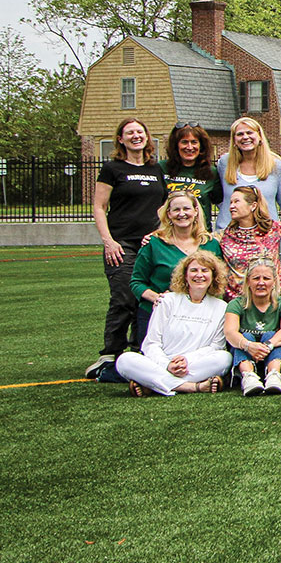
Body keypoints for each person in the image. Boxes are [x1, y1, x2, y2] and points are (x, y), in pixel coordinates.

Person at [89, 118, 169, 378]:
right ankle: (110, 352)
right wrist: (108, 240)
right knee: (123, 296)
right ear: (121, 139)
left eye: (140, 132)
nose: (136, 136)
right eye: (129, 133)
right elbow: (99, 206)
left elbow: (161, 208)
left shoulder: (155, 169)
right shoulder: (112, 168)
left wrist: (157, 234)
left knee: (144, 297)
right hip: (121, 242)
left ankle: (138, 349)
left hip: (149, 243)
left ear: (146, 137)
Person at [115, 251, 230, 396]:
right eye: (193, 270)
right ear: (185, 276)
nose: (199, 275)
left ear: (213, 276)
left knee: (224, 358)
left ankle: (152, 385)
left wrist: (187, 360)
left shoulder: (221, 307)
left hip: (193, 364)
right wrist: (167, 365)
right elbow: (151, 343)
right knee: (124, 360)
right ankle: (192, 387)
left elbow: (216, 346)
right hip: (161, 363)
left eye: (205, 271)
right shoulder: (167, 300)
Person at [131, 192, 221, 337]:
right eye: (176, 210)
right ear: (168, 214)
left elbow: (219, 281)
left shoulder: (210, 244)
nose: (182, 214)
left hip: (199, 317)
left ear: (195, 211)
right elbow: (137, 282)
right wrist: (158, 299)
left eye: (186, 209)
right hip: (157, 315)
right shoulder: (154, 243)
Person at [223, 257, 281, 396]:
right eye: (256, 278)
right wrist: (248, 345)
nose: (261, 283)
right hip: (245, 352)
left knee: (271, 335)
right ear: (248, 282)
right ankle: (248, 377)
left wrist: (267, 345)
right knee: (244, 336)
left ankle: (274, 376)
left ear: (274, 282)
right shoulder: (236, 304)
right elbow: (230, 332)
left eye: (266, 278)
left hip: (271, 353)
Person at [218, 186, 281, 297]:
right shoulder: (224, 236)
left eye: (236, 201)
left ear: (253, 206)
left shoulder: (274, 229)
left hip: (271, 299)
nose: (231, 206)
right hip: (237, 303)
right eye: (231, 202)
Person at [215, 116, 281, 228]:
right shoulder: (225, 163)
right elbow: (218, 197)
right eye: (240, 134)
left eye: (249, 132)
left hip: (265, 235)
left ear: (260, 137)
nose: (245, 137)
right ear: (234, 140)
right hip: (228, 233)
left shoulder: (276, 166)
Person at [161, 122, 221, 227]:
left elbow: (221, 203)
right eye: (184, 142)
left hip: (200, 234)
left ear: (201, 146)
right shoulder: (161, 168)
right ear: (176, 145)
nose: (189, 147)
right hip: (169, 234)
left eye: (194, 142)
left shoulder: (211, 172)